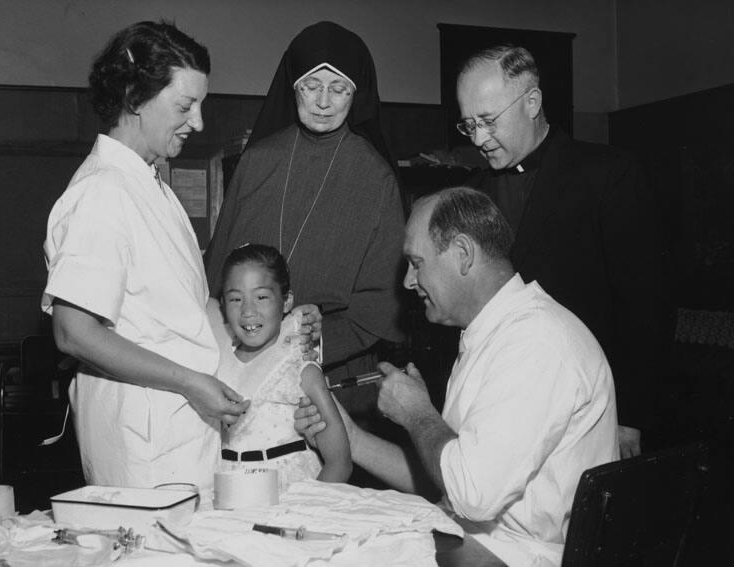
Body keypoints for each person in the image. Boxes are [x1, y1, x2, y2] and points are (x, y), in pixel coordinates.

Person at [41, 21, 320, 496]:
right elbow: (73, 331)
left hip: (180, 431)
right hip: (144, 442)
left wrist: (284, 331)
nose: (199, 122)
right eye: (185, 105)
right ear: (134, 97)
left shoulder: (151, 188)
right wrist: (191, 383)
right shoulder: (101, 192)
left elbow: (186, 314)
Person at [296, 187, 619, 567]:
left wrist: (418, 414)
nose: (408, 282)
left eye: (417, 263)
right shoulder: (495, 332)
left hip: (523, 557)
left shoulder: (536, 342)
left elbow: (472, 494)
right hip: (485, 543)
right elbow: (451, 476)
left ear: (463, 254)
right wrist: (350, 437)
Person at [455, 45, 674, 457]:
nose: (480, 139)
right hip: (501, 413)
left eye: (488, 121)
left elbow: (647, 308)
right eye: (469, 125)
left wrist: (630, 417)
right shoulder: (472, 193)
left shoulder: (608, 174)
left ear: (532, 102)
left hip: (589, 413)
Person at [204, 21, 406, 384]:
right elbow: (216, 275)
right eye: (312, 86)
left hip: (330, 372)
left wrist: (314, 336)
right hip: (241, 364)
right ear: (293, 87)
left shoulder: (376, 178)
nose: (324, 102)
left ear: (355, 94)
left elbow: (380, 306)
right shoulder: (257, 161)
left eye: (339, 88)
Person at [214, 244, 351, 491]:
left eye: (262, 297)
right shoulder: (216, 362)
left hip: (291, 491)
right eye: (236, 299)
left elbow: (340, 462)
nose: (247, 311)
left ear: (286, 301)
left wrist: (304, 510)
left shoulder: (299, 365)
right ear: (223, 304)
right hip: (231, 489)